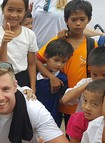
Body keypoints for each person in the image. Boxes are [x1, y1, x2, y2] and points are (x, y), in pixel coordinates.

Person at [36, 0, 96, 129]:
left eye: (82, 19)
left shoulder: (92, 45)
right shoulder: (59, 40)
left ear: (89, 20)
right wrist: (51, 77)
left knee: (78, 134)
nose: (78, 23)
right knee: (55, 129)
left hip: (81, 103)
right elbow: (37, 59)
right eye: (74, 20)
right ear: (66, 20)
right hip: (56, 100)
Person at [0, 0, 38, 90]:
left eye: (19, 11)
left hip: (23, 78)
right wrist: (4, 42)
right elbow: (1, 63)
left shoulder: (29, 34)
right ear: (2, 9)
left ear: (25, 12)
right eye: (10, 10)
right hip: (3, 76)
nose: (14, 15)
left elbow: (31, 64)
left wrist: (32, 88)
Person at [61, 46, 105, 112]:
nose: (99, 79)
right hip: (82, 121)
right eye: (95, 74)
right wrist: (86, 85)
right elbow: (65, 100)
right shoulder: (85, 82)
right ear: (90, 69)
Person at [36, 38, 73, 127]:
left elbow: (62, 99)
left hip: (52, 118)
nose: (59, 64)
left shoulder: (62, 78)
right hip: (33, 115)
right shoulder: (34, 74)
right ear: (46, 57)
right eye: (56, 60)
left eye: (63, 62)